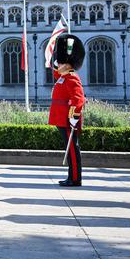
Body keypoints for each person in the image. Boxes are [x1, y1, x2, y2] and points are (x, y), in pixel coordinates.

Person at [49, 34, 86, 187]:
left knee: (72, 149)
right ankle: (71, 176)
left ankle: (75, 178)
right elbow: (55, 72)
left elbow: (78, 99)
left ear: (68, 64)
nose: (58, 63)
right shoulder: (63, 77)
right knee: (69, 149)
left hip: (68, 119)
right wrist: (56, 58)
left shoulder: (72, 78)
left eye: (61, 61)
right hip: (61, 118)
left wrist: (73, 117)